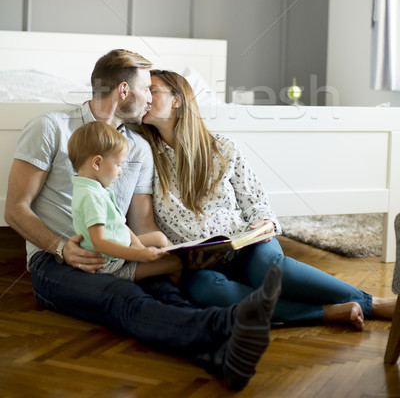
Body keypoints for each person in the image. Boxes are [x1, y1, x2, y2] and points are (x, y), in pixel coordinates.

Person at [5, 48, 282, 392]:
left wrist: (173, 251)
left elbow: (143, 223)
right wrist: (61, 248)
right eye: (145, 90)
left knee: (168, 294)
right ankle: (225, 325)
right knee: (124, 298)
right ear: (124, 91)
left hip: (121, 252)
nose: (150, 98)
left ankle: (222, 359)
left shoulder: (137, 148)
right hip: (57, 263)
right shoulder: (50, 128)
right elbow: (15, 208)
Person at [140, 69, 396, 330]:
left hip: (246, 245)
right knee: (205, 292)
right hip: (198, 264)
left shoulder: (223, 148)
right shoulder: (144, 157)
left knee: (270, 268)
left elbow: (258, 204)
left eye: (153, 90)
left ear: (178, 99)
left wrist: (263, 226)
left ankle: (372, 302)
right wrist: (182, 257)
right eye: (143, 90)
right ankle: (327, 312)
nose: (145, 97)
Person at [69, 120, 182, 282]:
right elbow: (100, 243)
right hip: (109, 264)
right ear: (97, 163)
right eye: (118, 165)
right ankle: (171, 289)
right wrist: (139, 254)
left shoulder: (95, 189)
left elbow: (119, 225)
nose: (120, 172)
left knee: (159, 238)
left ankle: (157, 273)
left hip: (119, 246)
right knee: (175, 263)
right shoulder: (91, 197)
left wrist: (139, 248)